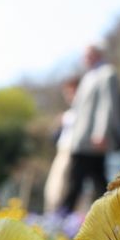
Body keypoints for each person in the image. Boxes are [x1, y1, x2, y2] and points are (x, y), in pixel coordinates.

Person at [59, 42, 120, 212]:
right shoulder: (88, 76)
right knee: (96, 179)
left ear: (97, 54)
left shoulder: (107, 74)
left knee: (78, 178)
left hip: (92, 139)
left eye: (88, 54)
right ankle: (110, 213)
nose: (85, 58)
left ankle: (62, 214)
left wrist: (101, 132)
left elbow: (108, 105)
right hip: (82, 137)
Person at [43, 76, 79, 214]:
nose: (68, 96)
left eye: (70, 92)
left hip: (70, 151)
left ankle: (59, 216)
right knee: (53, 187)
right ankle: (53, 215)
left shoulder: (78, 112)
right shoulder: (68, 113)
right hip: (62, 151)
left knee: (60, 187)